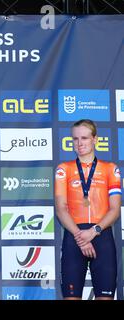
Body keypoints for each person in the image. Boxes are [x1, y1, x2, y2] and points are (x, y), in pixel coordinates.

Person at [55, 119, 121, 300]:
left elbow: (115, 209)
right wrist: (81, 238)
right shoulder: (64, 169)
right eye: (75, 139)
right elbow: (61, 209)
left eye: (84, 138)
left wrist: (94, 231)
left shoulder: (110, 169)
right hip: (74, 238)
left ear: (95, 139)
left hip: (102, 237)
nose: (79, 143)